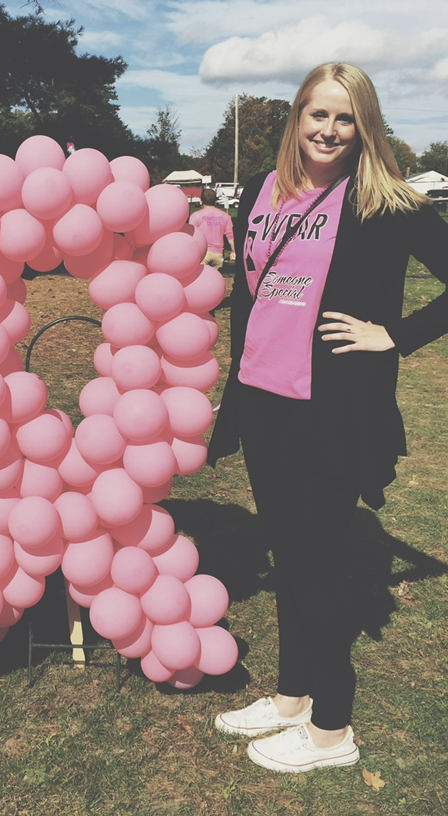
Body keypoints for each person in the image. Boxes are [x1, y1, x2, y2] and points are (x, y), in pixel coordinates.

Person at [208, 63, 448, 773]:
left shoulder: (388, 201)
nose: (330, 130)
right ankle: (290, 699)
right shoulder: (264, 189)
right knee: (290, 558)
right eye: (318, 115)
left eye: (346, 118)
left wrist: (393, 335)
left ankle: (332, 730)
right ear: (297, 118)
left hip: (332, 408)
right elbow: (254, 289)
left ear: (364, 124)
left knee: (316, 565)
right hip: (261, 399)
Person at [188, 188, 235, 269]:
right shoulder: (225, 216)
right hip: (218, 254)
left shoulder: (196, 216)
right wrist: (234, 251)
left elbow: (190, 236)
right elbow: (230, 237)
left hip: (202, 253)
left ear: (201, 200)